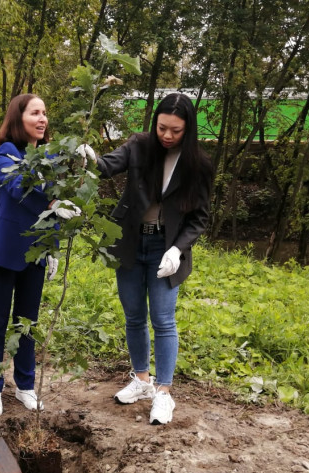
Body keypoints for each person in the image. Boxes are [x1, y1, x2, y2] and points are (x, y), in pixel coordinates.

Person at [80, 92, 213, 425]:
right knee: (134, 316)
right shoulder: (139, 145)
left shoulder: (198, 164)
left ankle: (164, 393)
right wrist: (89, 159)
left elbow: (199, 217)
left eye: (176, 130)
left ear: (189, 129)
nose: (167, 135)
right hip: (129, 242)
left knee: (163, 319)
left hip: (164, 248)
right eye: (162, 127)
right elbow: (108, 165)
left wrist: (177, 248)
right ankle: (142, 381)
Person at [0, 93, 80, 416]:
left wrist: (51, 248)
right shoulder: (6, 153)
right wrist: (53, 204)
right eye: (35, 113)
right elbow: (18, 186)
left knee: (27, 324)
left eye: (45, 113)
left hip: (34, 255)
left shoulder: (48, 159)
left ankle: (25, 386)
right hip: (3, 253)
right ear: (18, 118)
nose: (42, 119)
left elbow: (52, 210)